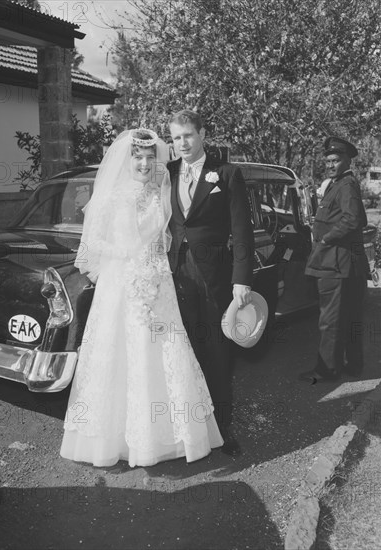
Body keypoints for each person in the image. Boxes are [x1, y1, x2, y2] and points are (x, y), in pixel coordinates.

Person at [61, 129, 224, 468]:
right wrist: (126, 254)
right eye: (138, 157)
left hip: (158, 284)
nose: (145, 163)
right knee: (117, 354)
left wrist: (153, 261)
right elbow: (91, 246)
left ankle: (166, 437)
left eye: (151, 158)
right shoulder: (109, 197)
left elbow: (169, 237)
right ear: (127, 159)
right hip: (120, 285)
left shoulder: (162, 193)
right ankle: (113, 439)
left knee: (163, 352)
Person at [167, 110, 255, 454]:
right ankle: (189, 427)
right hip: (176, 276)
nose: (182, 143)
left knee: (217, 353)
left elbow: (242, 229)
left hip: (216, 278)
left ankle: (223, 427)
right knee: (183, 353)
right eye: (176, 138)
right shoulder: (168, 172)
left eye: (188, 135)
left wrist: (241, 280)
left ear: (202, 134)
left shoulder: (227, 174)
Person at [300, 136, 369, 383]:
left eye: (336, 160)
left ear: (347, 160)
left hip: (335, 261)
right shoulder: (337, 183)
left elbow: (354, 219)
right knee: (348, 317)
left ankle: (326, 370)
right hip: (339, 262)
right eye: (328, 161)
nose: (330, 165)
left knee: (329, 321)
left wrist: (327, 238)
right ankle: (352, 365)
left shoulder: (346, 185)